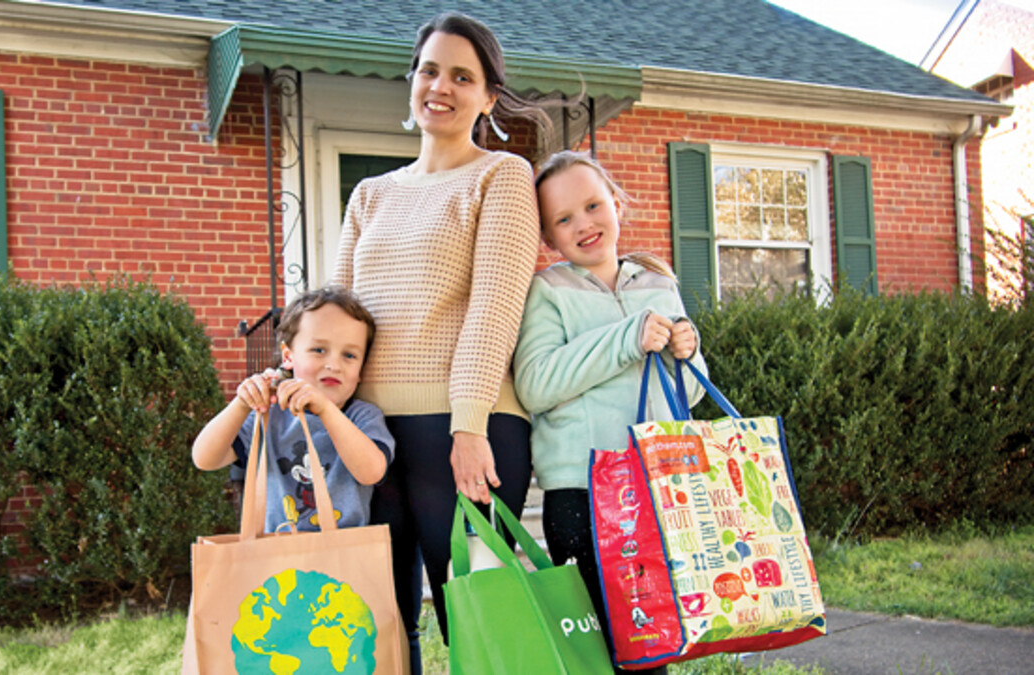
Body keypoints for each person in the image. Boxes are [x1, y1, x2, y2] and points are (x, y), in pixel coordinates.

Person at [331, 11, 552, 671]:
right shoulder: (369, 194)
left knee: (472, 624)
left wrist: (468, 422)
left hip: (461, 428)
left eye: (463, 75)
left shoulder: (501, 176)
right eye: (431, 70)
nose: (442, 86)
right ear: (412, 80)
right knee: (378, 627)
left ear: (487, 97)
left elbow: (494, 304)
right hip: (366, 429)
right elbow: (335, 312)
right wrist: (308, 394)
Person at [513, 150, 709, 675]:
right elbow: (535, 384)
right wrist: (626, 339)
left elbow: (687, 396)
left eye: (593, 205)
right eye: (563, 219)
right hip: (580, 490)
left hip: (651, 483)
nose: (584, 224)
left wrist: (688, 354)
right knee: (594, 649)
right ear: (549, 239)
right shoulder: (548, 291)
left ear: (617, 203)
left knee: (651, 643)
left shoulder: (659, 284)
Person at [192, 286, 394, 533]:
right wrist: (241, 404)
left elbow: (371, 473)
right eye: (319, 350)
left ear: (362, 369)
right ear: (288, 356)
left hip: (344, 559)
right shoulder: (270, 415)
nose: (333, 365)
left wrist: (326, 409)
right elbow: (204, 458)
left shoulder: (362, 416)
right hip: (279, 557)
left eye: (349, 355)